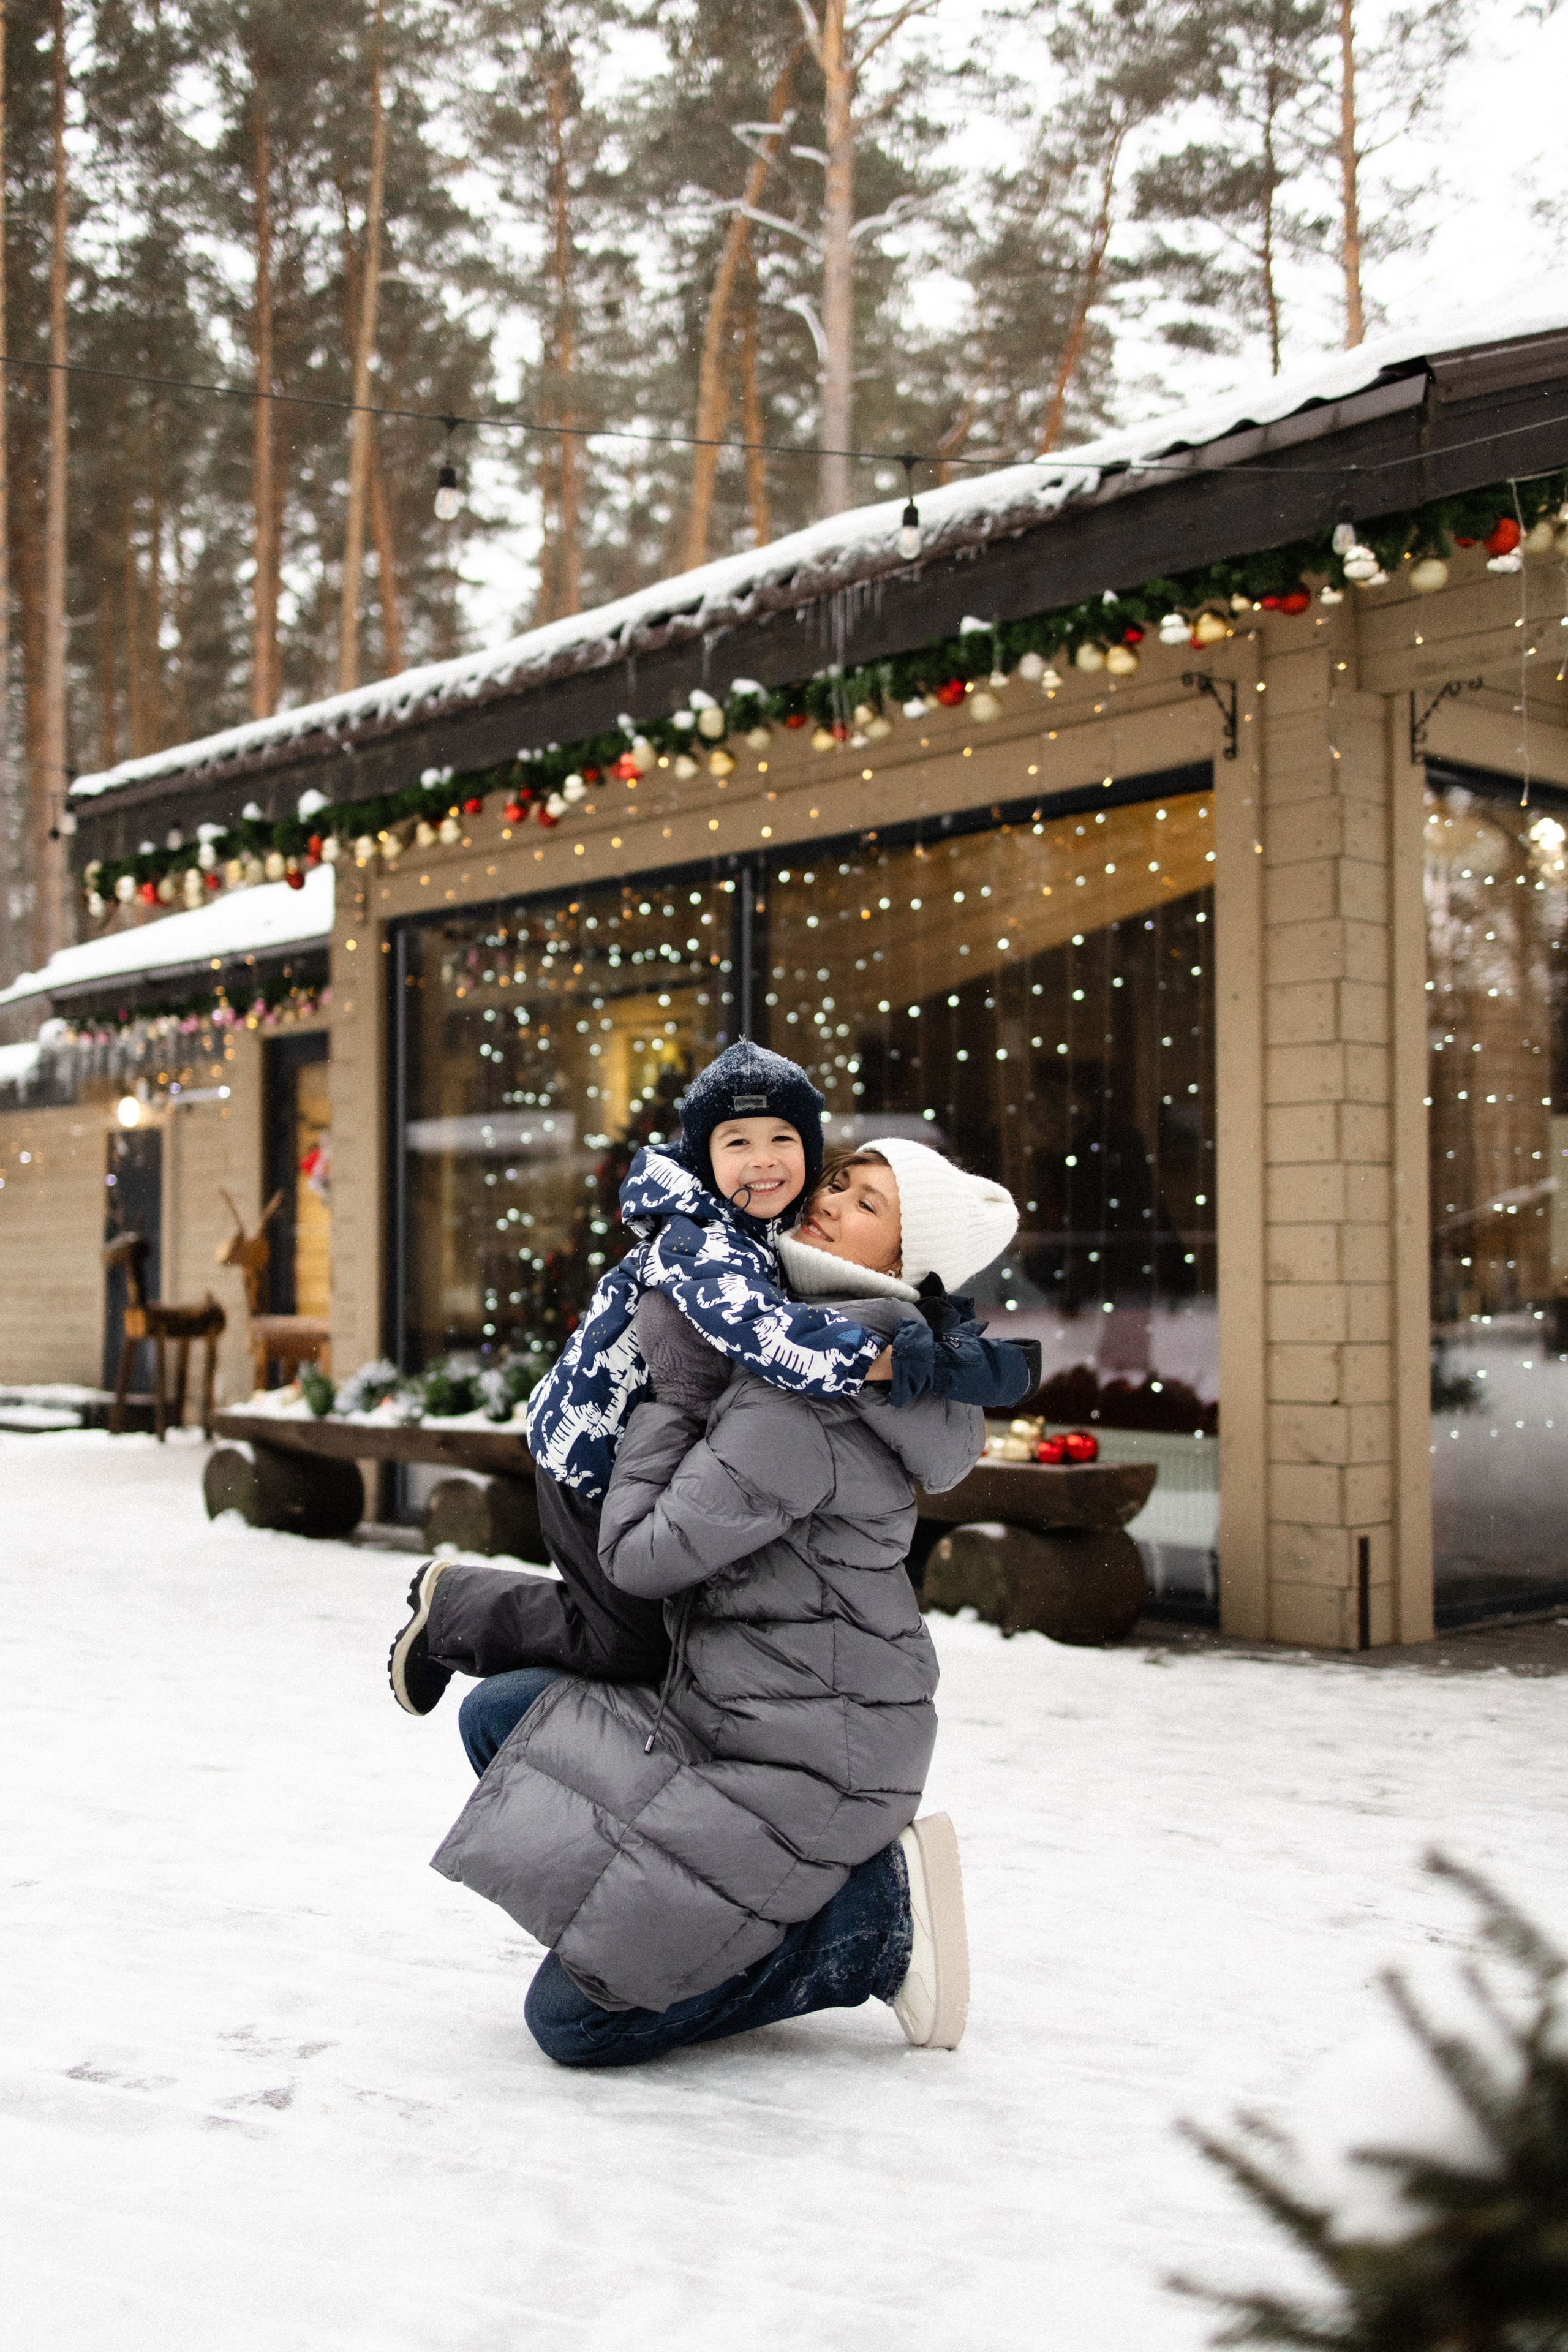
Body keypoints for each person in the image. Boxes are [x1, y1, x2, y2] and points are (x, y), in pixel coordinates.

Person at [429, 1139, 1015, 2065]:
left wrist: (676, 1393)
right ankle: (657, 1931)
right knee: (506, 1713)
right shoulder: (805, 1346)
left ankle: (873, 1922)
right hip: (740, 1714)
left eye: (867, 1204)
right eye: (839, 1182)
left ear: (903, 1267)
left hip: (808, 1758)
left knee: (577, 2025)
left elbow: (639, 1557)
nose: (828, 1203)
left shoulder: (804, 1395)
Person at [388, 1041, 1034, 1714]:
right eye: (736, 1143)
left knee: (648, 1641)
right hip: (588, 1455)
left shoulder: (767, 1231)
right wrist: (887, 1359)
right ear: (704, 1157)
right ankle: (459, 1607)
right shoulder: (702, 1239)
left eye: (784, 1139)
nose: (763, 1160)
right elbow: (759, 1331)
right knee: (628, 1645)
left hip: (649, 1469)